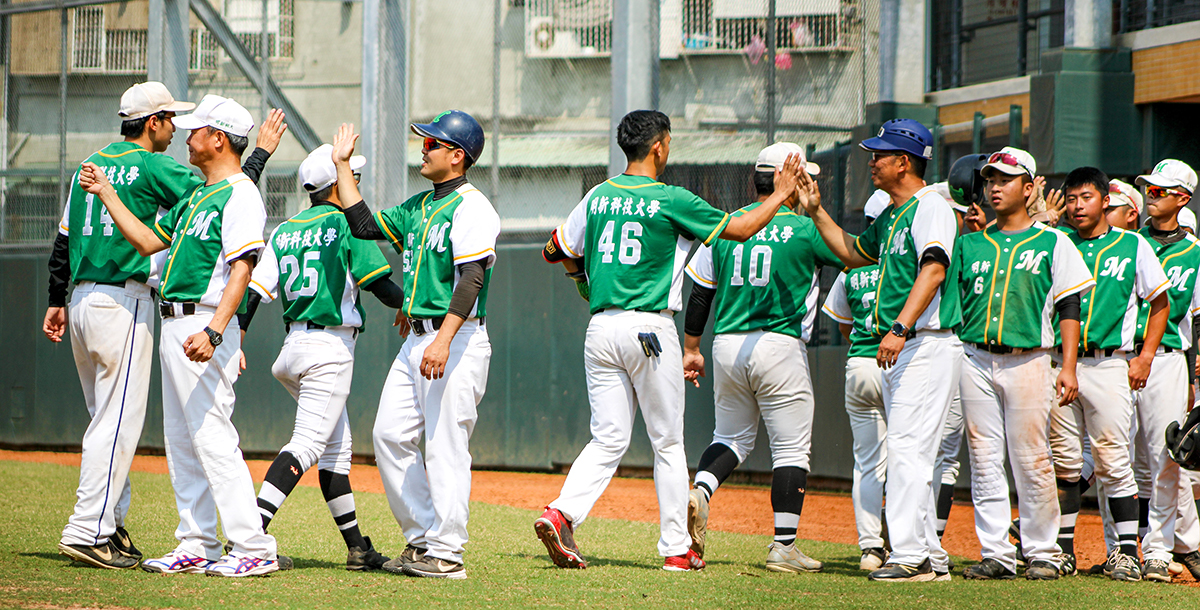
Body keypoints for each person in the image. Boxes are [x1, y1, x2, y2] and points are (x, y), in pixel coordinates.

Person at [534, 110, 804, 571]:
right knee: (667, 443)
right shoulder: (670, 198)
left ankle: (561, 513)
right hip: (649, 329)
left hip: (601, 329)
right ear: (659, 146)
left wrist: (581, 281)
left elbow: (554, 249)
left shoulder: (598, 195)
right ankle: (676, 548)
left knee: (607, 439)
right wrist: (781, 193)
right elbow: (738, 231)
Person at [46, 82, 283, 570]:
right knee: (181, 439)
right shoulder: (196, 198)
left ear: (219, 139)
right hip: (169, 319)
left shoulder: (239, 195)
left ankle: (254, 548)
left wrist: (218, 330)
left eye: (196, 130)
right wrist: (110, 195)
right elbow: (142, 240)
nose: (185, 134)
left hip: (202, 323)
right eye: (181, 123)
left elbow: (244, 268)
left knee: (213, 436)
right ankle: (197, 543)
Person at [333, 111, 499, 580]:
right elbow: (364, 225)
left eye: (432, 143)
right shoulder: (419, 206)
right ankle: (423, 538)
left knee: (445, 445)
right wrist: (343, 165)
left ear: (457, 155)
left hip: (456, 338)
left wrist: (444, 339)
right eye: (424, 141)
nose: (423, 148)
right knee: (389, 434)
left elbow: (472, 277)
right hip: (418, 339)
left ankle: (448, 553)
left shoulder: (473, 207)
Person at [798, 118, 962, 582]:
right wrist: (815, 211)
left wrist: (898, 327)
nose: (872, 161)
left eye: (880, 154)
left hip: (925, 342)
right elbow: (851, 254)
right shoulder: (893, 213)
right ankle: (929, 556)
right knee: (911, 453)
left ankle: (909, 557)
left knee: (907, 450)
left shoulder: (931, 206)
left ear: (904, 162)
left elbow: (933, 271)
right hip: (909, 346)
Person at [241, 144, 406, 571]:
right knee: (309, 445)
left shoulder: (286, 229)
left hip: (292, 349)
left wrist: (236, 334)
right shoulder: (347, 223)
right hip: (328, 350)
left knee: (336, 451)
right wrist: (412, 305)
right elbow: (380, 285)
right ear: (335, 185)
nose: (357, 180)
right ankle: (249, 537)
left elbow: (255, 292)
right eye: (350, 176)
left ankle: (358, 548)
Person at [681, 142, 838, 574]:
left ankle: (702, 489)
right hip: (779, 345)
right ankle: (783, 547)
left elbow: (700, 292)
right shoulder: (807, 229)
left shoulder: (731, 224)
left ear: (756, 180)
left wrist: (691, 348)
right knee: (790, 449)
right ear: (794, 180)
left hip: (727, 344)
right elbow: (850, 255)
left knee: (730, 437)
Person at [950, 148, 1092, 581]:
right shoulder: (970, 242)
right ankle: (996, 552)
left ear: (1028, 189)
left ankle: (1044, 551)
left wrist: (1067, 367)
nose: (994, 186)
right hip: (974, 356)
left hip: (1029, 360)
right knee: (984, 456)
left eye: (1005, 180)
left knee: (1032, 457)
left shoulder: (1054, 241)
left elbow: (1070, 305)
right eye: (990, 179)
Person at [1049, 166, 1170, 582]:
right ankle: (1062, 551)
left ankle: (1124, 553)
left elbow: (1160, 303)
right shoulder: (1057, 243)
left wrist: (1147, 355)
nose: (1077, 205)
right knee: (1064, 463)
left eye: (1086, 197)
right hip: (1059, 363)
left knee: (1113, 460)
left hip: (1108, 363)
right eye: (1071, 198)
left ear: (1105, 200)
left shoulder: (1133, 245)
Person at [1127, 160, 1200, 582]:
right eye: (1149, 190)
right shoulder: (1128, 245)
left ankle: (1158, 549)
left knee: (1166, 458)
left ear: (1182, 199)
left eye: (1160, 191)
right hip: (1119, 356)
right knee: (1115, 458)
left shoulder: (1195, 254)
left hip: (1169, 359)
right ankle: (1121, 549)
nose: (1151, 196)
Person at [821, 204, 886, 571]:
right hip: (900, 364)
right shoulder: (906, 261)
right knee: (909, 457)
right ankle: (911, 542)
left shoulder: (852, 267)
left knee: (866, 462)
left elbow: (843, 325)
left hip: (859, 363)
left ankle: (870, 549)